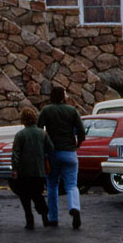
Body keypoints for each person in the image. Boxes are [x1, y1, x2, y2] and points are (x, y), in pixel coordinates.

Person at [38, 86, 85, 229]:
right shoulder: (72, 111)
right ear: (63, 96)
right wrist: (77, 144)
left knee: (52, 185)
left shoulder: (46, 110)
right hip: (69, 152)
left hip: (53, 153)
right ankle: (74, 207)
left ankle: (53, 218)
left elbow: (39, 130)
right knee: (71, 184)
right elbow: (81, 131)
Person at [12, 107, 53, 230]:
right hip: (39, 170)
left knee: (25, 197)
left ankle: (29, 221)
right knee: (38, 195)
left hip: (24, 171)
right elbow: (51, 148)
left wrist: (14, 169)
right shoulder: (43, 133)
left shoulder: (20, 135)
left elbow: (16, 154)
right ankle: (45, 217)